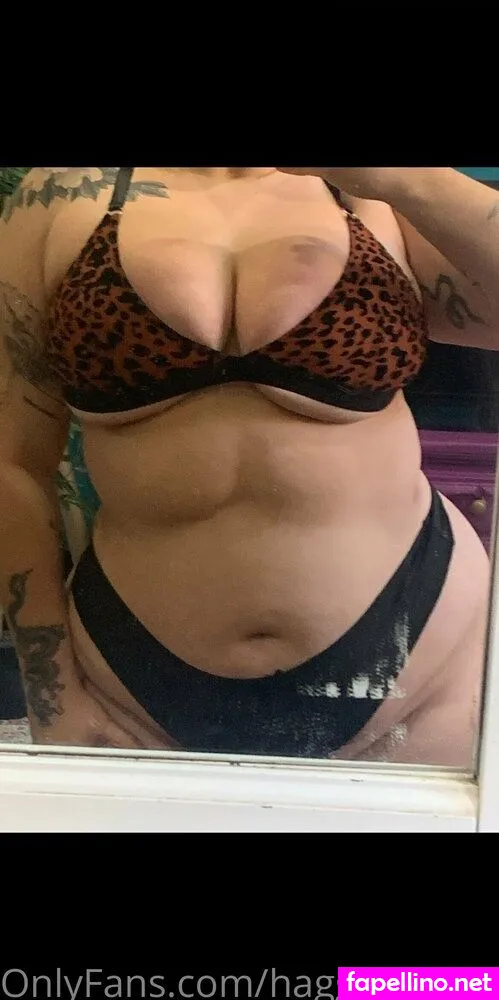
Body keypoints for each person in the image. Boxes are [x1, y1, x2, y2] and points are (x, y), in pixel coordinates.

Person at [0, 166, 496, 765]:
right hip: (134, 676)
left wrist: (408, 179)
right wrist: (51, 697)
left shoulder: (378, 195)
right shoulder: (63, 190)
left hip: (425, 653)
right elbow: (14, 463)